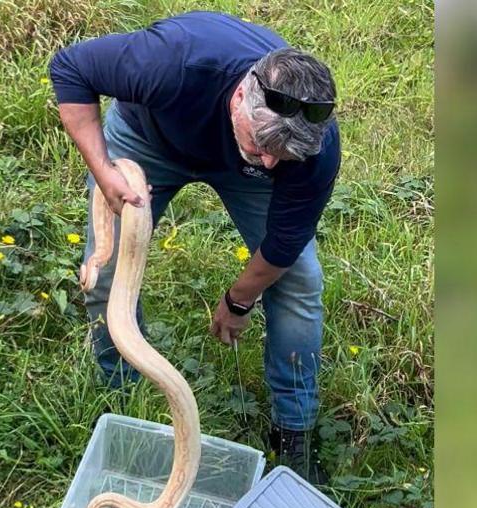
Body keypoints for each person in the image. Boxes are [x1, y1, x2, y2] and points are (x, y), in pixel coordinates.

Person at [49, 11, 340, 484]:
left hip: (237, 172)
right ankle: (122, 403)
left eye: (281, 155)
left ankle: (294, 432)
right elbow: (70, 69)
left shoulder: (307, 150)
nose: (270, 161)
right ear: (240, 96)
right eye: (263, 144)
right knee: (104, 276)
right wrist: (104, 171)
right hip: (149, 140)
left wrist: (238, 300)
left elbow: (284, 244)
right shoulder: (174, 61)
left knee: (302, 281)